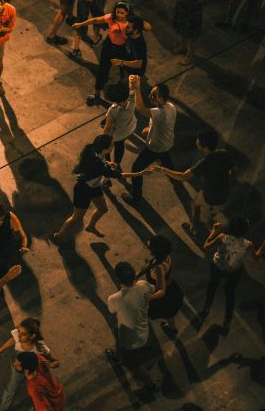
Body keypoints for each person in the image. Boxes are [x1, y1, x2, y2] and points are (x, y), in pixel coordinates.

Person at [52, 135, 149, 241]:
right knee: (77, 217)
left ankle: (91, 226)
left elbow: (100, 161)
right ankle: (60, 236)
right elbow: (120, 175)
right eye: (112, 145)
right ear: (105, 149)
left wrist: (107, 163)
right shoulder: (98, 165)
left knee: (103, 209)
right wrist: (140, 173)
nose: (113, 146)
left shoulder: (93, 150)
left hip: (94, 186)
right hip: (83, 190)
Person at [155, 130, 234, 236]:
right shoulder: (224, 153)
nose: (196, 142)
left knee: (205, 219)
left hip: (211, 198)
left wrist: (163, 169)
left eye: (198, 141)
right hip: (223, 192)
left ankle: (196, 231)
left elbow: (183, 177)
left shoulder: (205, 163)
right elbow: (230, 170)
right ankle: (197, 225)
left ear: (205, 147)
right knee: (195, 204)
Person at [200, 218, 265, 331]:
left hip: (217, 267)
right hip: (233, 271)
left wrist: (214, 230)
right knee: (230, 294)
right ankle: (227, 321)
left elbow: (206, 246)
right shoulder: (248, 245)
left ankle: (206, 309)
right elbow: (256, 257)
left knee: (212, 286)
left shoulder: (222, 237)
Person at [106, 262, 158, 400]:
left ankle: (150, 386)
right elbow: (153, 289)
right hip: (145, 332)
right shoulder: (143, 285)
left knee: (135, 365)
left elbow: (111, 311)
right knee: (117, 331)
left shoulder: (114, 298)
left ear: (118, 279)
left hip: (131, 341)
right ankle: (118, 357)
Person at [122, 76, 176, 206]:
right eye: (152, 92)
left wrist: (136, 88)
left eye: (155, 95)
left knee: (136, 168)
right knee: (165, 157)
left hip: (155, 146)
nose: (151, 96)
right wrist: (150, 128)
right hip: (167, 142)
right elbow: (162, 122)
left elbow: (140, 108)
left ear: (162, 99)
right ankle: (174, 175)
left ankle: (136, 196)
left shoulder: (159, 112)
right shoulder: (171, 107)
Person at [0, 318, 59, 411]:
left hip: (34, 374)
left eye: (23, 334)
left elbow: (55, 361)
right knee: (11, 389)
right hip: (19, 369)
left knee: (35, 394)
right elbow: (13, 340)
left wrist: (53, 364)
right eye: (19, 331)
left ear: (32, 336)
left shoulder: (40, 347)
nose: (18, 336)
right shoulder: (19, 337)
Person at [73, 1, 131, 105]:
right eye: (118, 12)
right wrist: (81, 24)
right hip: (109, 46)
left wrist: (124, 33)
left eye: (122, 13)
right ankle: (97, 95)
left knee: (125, 72)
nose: (119, 15)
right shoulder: (111, 18)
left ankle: (125, 97)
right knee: (103, 70)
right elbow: (95, 20)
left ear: (127, 13)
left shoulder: (129, 24)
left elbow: (133, 37)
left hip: (122, 49)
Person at [140, 235, 184, 333]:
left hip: (165, 296)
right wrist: (136, 275)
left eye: (148, 247)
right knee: (169, 314)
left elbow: (162, 291)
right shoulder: (164, 256)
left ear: (155, 251)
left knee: (167, 313)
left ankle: (172, 329)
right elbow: (148, 265)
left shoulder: (159, 268)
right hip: (171, 287)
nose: (146, 248)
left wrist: (151, 297)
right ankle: (172, 327)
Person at [102, 81, 136, 169]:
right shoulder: (132, 98)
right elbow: (133, 88)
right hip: (129, 128)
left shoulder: (112, 110)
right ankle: (117, 163)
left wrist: (102, 138)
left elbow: (107, 127)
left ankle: (108, 161)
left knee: (108, 146)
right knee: (120, 146)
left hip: (117, 133)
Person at [111, 15, 148, 81]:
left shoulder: (140, 45)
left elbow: (139, 64)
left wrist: (121, 62)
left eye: (128, 27)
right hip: (127, 62)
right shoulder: (132, 34)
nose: (125, 28)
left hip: (135, 72)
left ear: (135, 31)